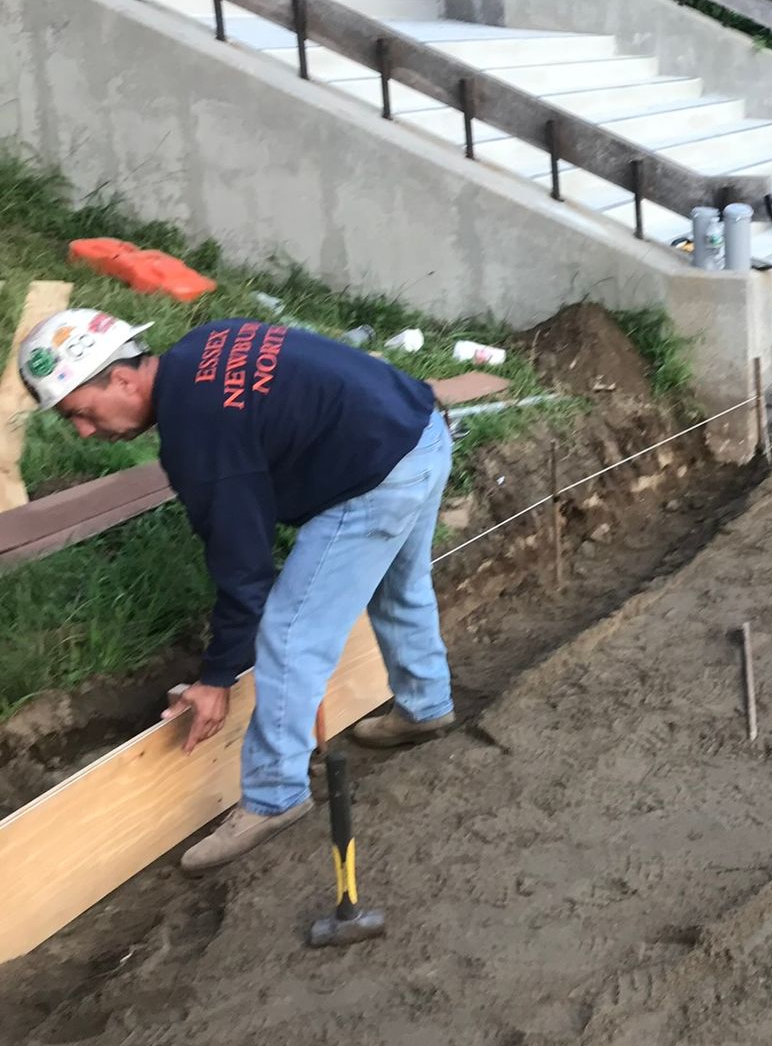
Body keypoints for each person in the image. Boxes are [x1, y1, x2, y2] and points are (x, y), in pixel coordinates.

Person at [16, 311, 457, 873]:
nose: (83, 431)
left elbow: (245, 570)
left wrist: (218, 677)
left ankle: (274, 797)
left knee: (291, 634)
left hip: (377, 475)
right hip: (421, 430)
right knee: (400, 584)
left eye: (81, 412)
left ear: (122, 380)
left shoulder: (197, 436)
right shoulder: (204, 342)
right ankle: (426, 706)